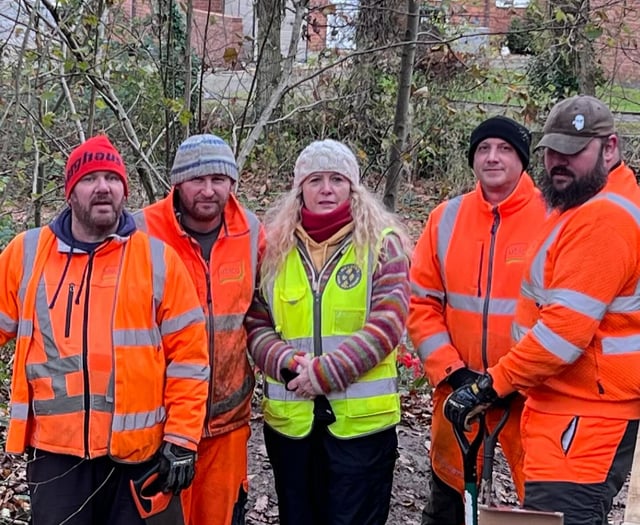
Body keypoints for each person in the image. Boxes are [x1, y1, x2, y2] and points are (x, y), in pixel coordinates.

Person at [445, 95, 640, 525]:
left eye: (573, 152)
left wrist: (490, 386)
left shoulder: (603, 220)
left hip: (585, 421)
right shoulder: (581, 205)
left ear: (610, 149)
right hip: (567, 411)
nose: (558, 162)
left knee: (562, 516)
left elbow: (560, 336)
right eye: (552, 151)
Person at [0, 135, 210, 525]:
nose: (102, 187)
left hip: (140, 454)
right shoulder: (26, 253)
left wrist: (181, 439)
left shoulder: (156, 259)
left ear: (123, 191)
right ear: (69, 192)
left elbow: (190, 358)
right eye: (89, 178)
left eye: (112, 179)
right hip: (55, 456)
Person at [245, 139, 412, 525]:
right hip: (292, 422)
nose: (326, 189)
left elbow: (388, 322)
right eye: (315, 179)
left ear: (353, 187)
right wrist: (286, 364)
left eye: (337, 179)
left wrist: (324, 373)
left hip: (362, 426)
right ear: (299, 188)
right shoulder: (273, 249)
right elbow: (256, 320)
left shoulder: (382, 245)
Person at [407, 115, 546, 524]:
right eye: (483, 149)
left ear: (522, 159)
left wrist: (510, 378)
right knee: (448, 497)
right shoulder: (445, 218)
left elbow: (564, 313)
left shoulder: (553, 219)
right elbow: (421, 303)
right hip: (460, 389)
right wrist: (452, 372)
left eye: (504, 149)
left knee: (541, 502)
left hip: (531, 394)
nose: (492, 157)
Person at [135, 133, 264, 525]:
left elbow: (261, 314)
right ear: (177, 182)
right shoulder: (140, 231)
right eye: (197, 180)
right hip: (158, 423)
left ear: (232, 183)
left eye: (218, 179)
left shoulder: (253, 231)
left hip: (228, 421)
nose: (208, 190)